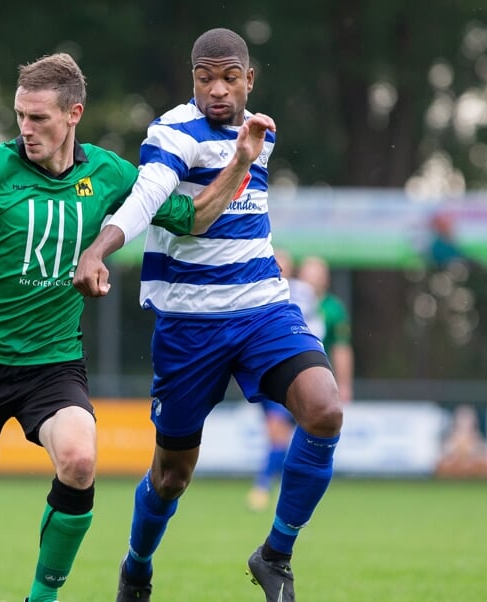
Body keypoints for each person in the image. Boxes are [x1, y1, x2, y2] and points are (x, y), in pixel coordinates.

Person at [0, 52, 270, 602]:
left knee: (80, 458)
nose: (26, 129)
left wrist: (239, 163)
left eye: (39, 118)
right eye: (20, 115)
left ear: (74, 114)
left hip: (52, 364)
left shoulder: (108, 174)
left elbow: (190, 218)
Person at [72, 28, 342, 602]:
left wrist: (247, 152)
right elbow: (148, 195)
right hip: (189, 326)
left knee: (323, 410)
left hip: (263, 309)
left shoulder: (260, 134)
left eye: (228, 77)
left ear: (250, 79)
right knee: (171, 476)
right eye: (204, 78)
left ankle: (276, 554)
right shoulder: (173, 133)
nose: (216, 90)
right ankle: (137, 566)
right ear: (191, 79)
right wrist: (99, 248)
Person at [246, 250, 323, 512]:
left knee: (279, 432)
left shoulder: (300, 293)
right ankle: (273, 485)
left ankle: (264, 485)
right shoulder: (254, 289)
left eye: (283, 264)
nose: (279, 267)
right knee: (277, 433)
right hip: (263, 369)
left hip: (289, 368)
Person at [298, 255, 354, 403]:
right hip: (290, 377)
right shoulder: (289, 304)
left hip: (321, 380)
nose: (311, 281)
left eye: (317, 276)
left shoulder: (334, 309)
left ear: (325, 279)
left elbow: (341, 348)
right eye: (307, 276)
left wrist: (344, 385)